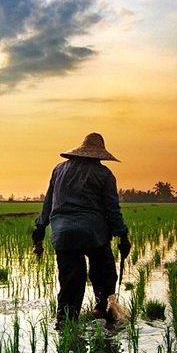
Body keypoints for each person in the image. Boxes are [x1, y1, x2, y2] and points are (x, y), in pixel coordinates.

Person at [32, 132, 131, 324]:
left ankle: (65, 323)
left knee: (71, 281)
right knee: (105, 275)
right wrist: (123, 235)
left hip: (63, 234)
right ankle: (102, 311)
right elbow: (112, 209)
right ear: (99, 154)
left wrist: (40, 229)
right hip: (94, 233)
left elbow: (48, 202)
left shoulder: (59, 170)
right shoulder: (104, 174)